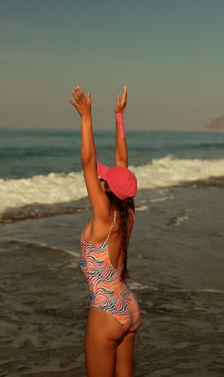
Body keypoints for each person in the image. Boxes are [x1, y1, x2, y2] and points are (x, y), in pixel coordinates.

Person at [69, 85, 141, 377]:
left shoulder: (103, 216)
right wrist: (119, 118)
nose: (100, 178)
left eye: (104, 179)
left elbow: (87, 163)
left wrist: (86, 116)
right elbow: (122, 166)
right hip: (129, 308)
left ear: (107, 190)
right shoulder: (127, 210)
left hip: (107, 312)